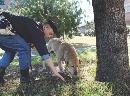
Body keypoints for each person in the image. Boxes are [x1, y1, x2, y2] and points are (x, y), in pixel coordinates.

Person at [0, 12, 65, 84]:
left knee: (11, 51)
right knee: (25, 49)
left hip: (3, 29)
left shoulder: (33, 26)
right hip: (3, 28)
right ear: (45, 27)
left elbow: (20, 32)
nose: (49, 37)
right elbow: (45, 54)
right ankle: (25, 79)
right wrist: (55, 72)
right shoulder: (37, 30)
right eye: (50, 34)